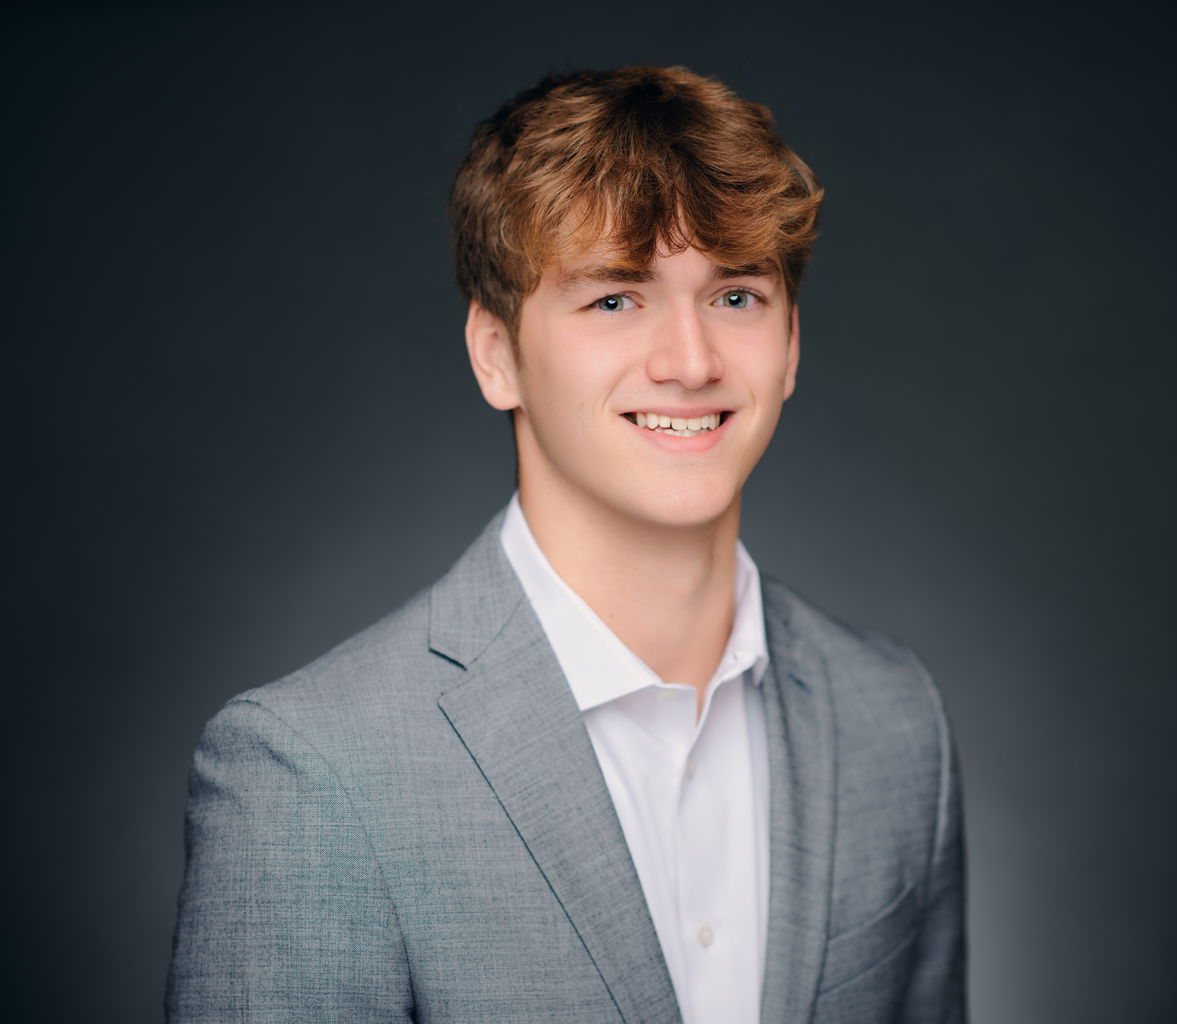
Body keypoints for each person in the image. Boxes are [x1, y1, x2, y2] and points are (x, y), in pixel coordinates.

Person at [166, 65, 966, 1024]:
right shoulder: (311, 772)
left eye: (736, 296)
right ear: (496, 354)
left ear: (791, 344)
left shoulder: (894, 719)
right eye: (615, 299)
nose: (690, 362)